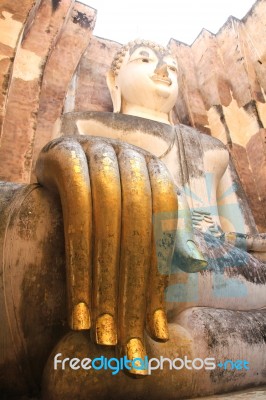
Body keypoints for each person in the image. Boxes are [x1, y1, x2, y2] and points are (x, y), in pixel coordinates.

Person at [36, 39, 266, 398]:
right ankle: (183, 351)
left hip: (216, 264)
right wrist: (64, 159)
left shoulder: (212, 151)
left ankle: (181, 353)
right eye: (144, 60)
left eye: (172, 68)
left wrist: (230, 243)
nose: (162, 71)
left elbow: (241, 239)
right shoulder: (83, 124)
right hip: (115, 253)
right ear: (116, 80)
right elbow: (55, 198)